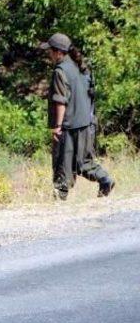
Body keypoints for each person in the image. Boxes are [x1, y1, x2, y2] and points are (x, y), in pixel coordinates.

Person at [40, 33, 115, 200]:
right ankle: (105, 179)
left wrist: (57, 126)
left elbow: (60, 101)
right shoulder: (80, 68)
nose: (48, 54)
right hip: (86, 124)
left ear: (58, 52)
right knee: (83, 163)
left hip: (68, 126)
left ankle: (60, 197)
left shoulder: (60, 71)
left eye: (50, 51)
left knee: (62, 164)